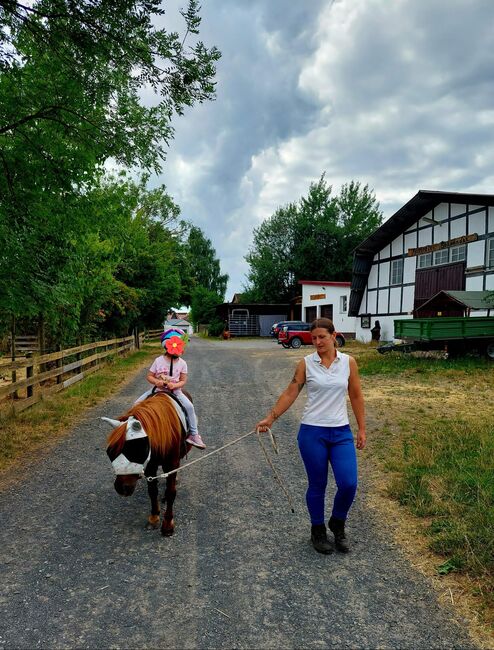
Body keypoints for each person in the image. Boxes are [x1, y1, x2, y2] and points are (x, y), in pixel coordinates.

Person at [256, 317, 366, 554]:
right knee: (318, 484)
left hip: (341, 432)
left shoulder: (349, 362)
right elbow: (291, 391)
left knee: (349, 483)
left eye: (322, 337)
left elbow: (356, 395)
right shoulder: (306, 363)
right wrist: (271, 417)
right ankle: (317, 530)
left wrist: (362, 428)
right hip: (312, 432)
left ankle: (337, 522)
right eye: (314, 338)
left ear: (334, 335)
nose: (317, 342)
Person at [144, 327, 206, 449]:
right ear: (167, 347)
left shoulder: (182, 363)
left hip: (176, 392)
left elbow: (183, 381)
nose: (180, 350)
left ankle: (194, 434)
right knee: (137, 403)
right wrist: (157, 382)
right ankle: (133, 430)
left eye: (181, 347)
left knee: (189, 407)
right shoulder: (158, 361)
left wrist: (175, 385)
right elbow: (149, 376)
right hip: (158, 391)